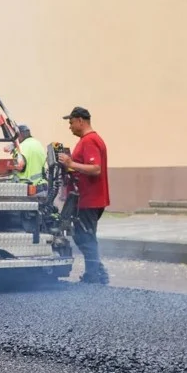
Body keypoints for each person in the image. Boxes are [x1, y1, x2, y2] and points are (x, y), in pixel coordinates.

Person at [58, 106, 110, 285]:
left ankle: (93, 276)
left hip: (90, 199)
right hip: (88, 198)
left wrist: (71, 162)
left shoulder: (89, 141)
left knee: (84, 236)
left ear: (81, 120)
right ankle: (97, 272)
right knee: (85, 236)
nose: (70, 126)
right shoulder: (88, 140)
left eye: (71, 122)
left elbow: (95, 168)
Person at [5, 124, 48, 193]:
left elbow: (20, 165)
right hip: (42, 187)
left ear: (20, 135)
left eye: (15, 137)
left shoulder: (21, 147)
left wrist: (7, 167)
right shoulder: (38, 144)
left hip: (29, 189)